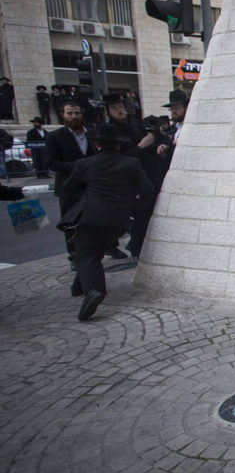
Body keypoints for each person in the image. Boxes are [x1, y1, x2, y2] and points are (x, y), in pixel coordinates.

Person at [62, 124, 153, 321]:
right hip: (119, 220)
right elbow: (147, 190)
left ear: (97, 144)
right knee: (94, 251)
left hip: (92, 217)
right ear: (118, 146)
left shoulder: (85, 164)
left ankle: (94, 291)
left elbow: (67, 188)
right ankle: (80, 285)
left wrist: (87, 193)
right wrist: (131, 206)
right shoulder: (131, 164)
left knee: (87, 254)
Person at [45, 99, 98, 267]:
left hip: (92, 185)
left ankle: (101, 249)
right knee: (71, 222)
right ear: (63, 115)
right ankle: (75, 255)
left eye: (77, 113)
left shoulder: (92, 134)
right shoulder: (55, 137)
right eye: (70, 114)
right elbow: (52, 162)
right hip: (69, 187)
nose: (74, 117)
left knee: (95, 220)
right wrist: (79, 167)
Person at [126, 116, 172, 259]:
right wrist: (141, 146)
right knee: (140, 220)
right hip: (141, 186)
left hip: (158, 183)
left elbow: (168, 159)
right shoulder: (137, 141)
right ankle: (136, 248)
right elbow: (127, 159)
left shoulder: (164, 139)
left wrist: (165, 151)